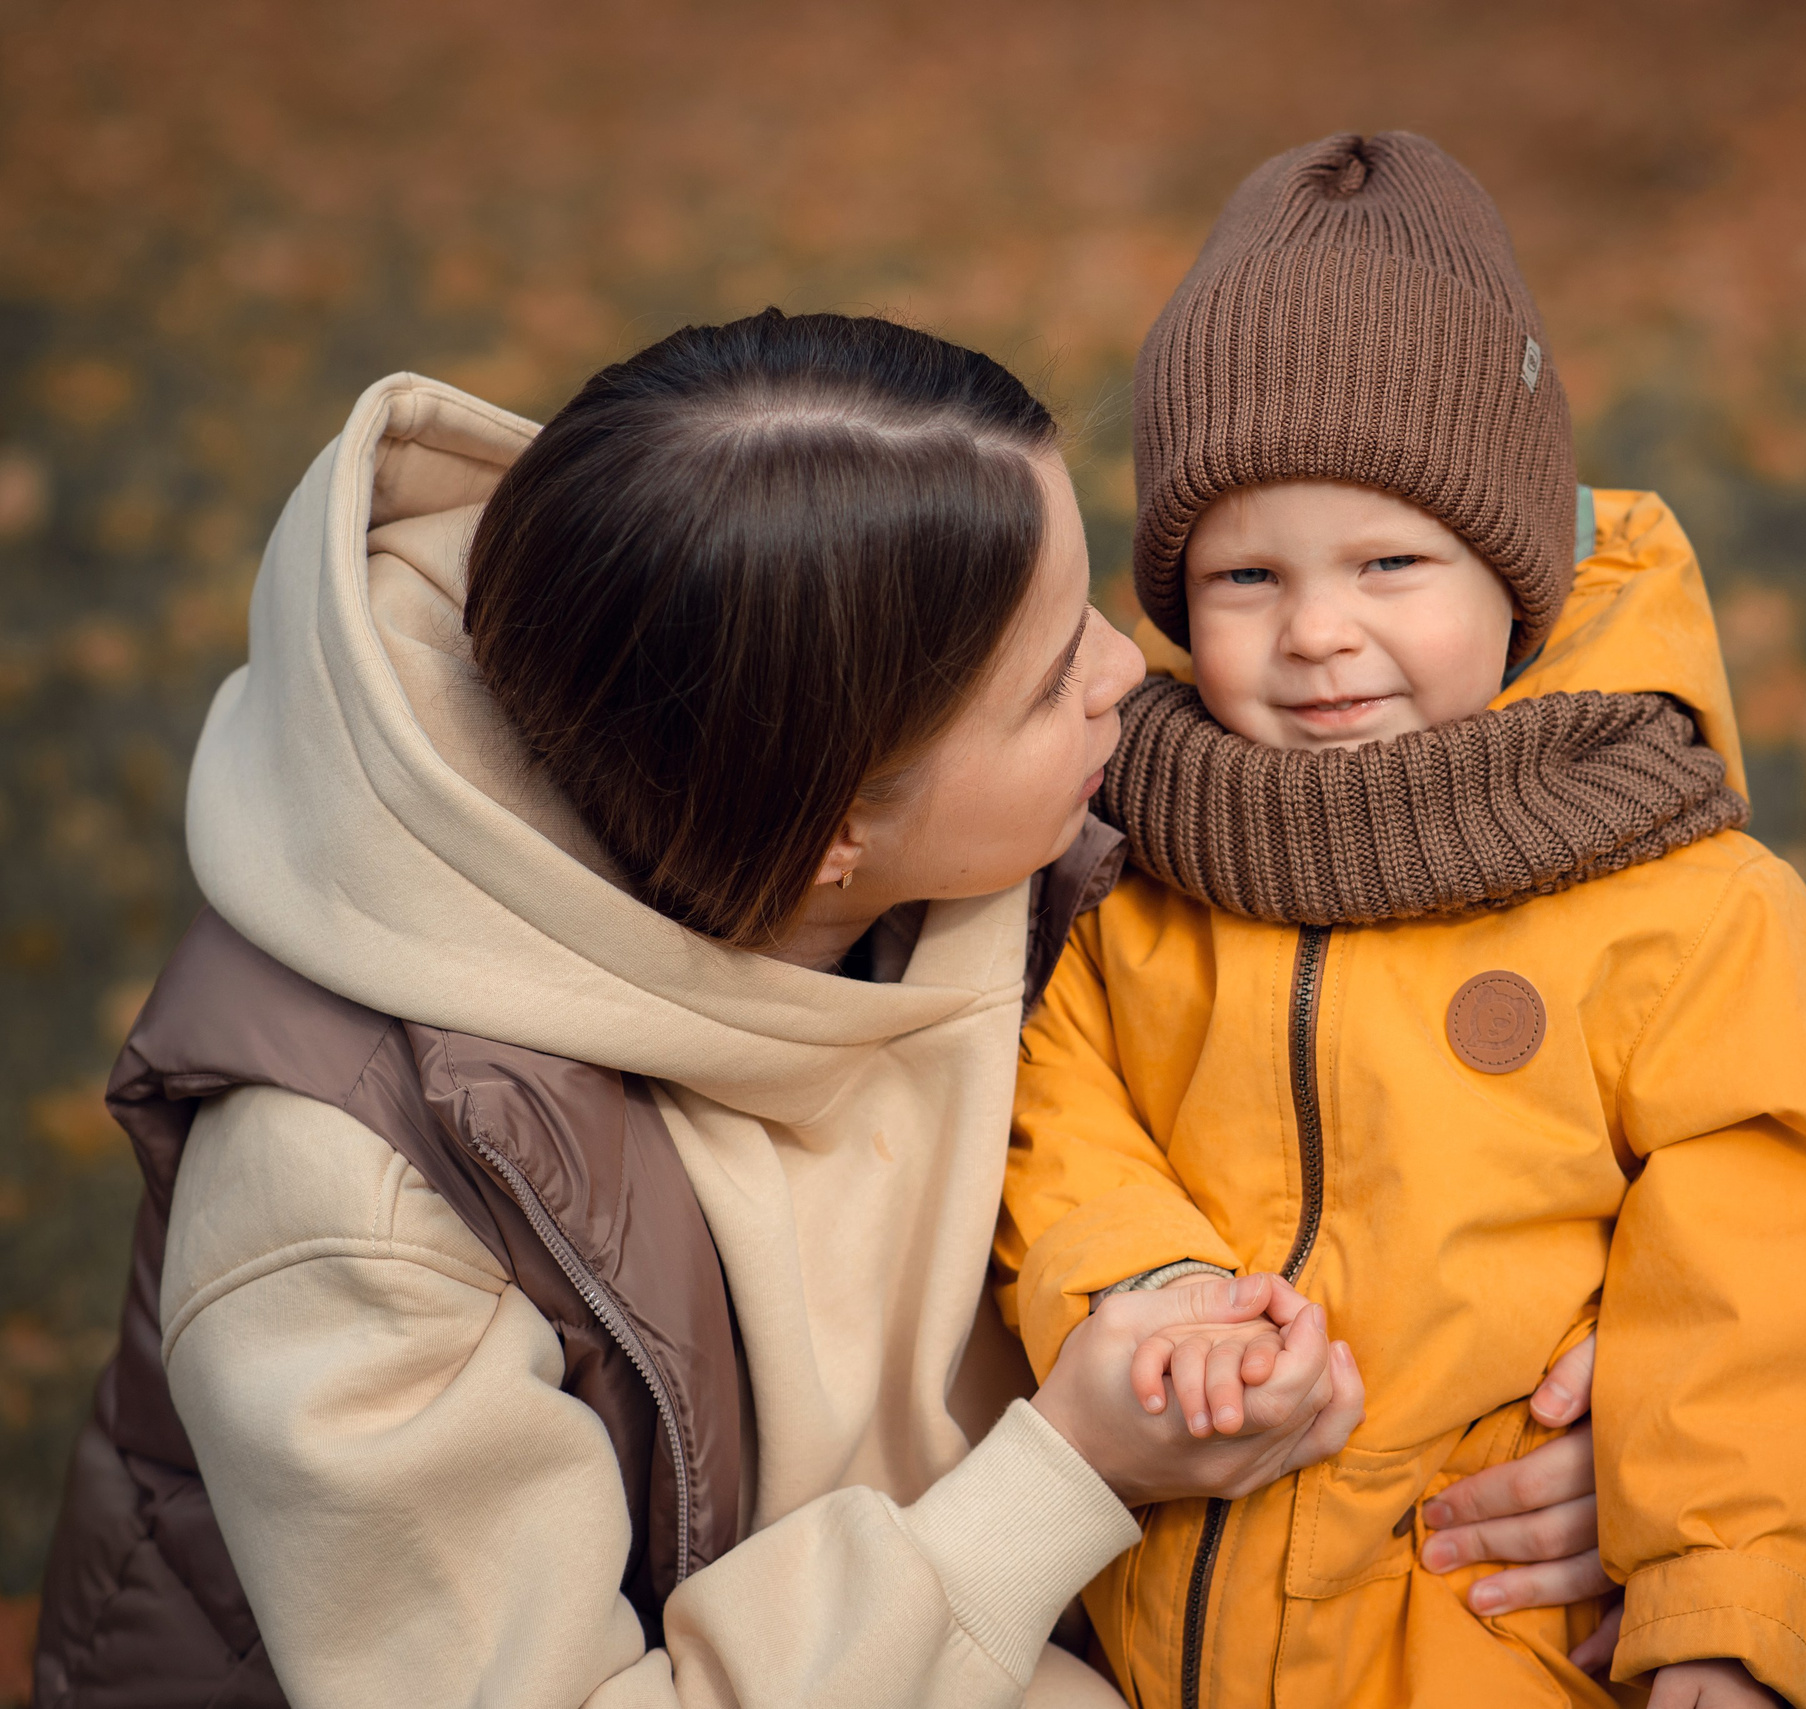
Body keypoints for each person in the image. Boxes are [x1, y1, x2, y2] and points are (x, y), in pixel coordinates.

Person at [31, 310, 1596, 1709]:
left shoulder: (1044, 829)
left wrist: (1594, 1422)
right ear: (838, 824)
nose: (1138, 671)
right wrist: (1064, 1477)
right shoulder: (353, 1190)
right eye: (1053, 676)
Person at [998, 135, 1806, 1709]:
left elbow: (1783, 1262)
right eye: (1243, 574)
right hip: (1176, 1619)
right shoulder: (1144, 880)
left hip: (1487, 1623)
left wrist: (1721, 1594)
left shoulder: (1673, 902)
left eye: (1390, 562)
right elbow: (1061, 1121)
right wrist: (1150, 1292)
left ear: (1519, 572)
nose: (1317, 633)